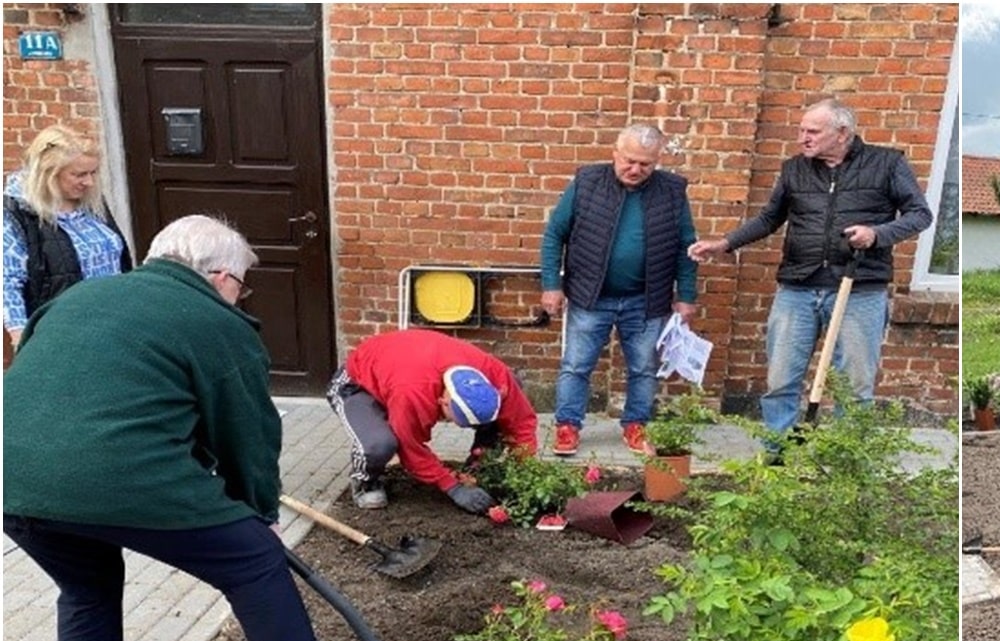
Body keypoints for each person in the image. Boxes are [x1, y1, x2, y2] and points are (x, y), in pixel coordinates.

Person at [3, 215, 372, 641]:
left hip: (13, 481)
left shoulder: (77, 298)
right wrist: (257, 514)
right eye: (243, 285)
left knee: (86, 584)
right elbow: (247, 435)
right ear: (221, 276)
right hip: (117, 475)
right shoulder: (216, 325)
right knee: (253, 562)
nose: (241, 298)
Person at [687, 97, 932, 443]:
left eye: (812, 131)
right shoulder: (794, 169)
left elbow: (920, 214)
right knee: (781, 377)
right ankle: (775, 455)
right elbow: (770, 218)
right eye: (801, 130)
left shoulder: (887, 164)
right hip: (797, 289)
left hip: (859, 289)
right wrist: (725, 244)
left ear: (842, 133)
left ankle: (846, 458)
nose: (803, 137)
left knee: (854, 385)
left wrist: (876, 234)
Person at [541, 124, 697, 458]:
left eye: (645, 164)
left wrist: (686, 295)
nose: (635, 169)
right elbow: (555, 234)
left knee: (642, 367)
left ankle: (635, 424)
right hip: (589, 295)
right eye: (629, 160)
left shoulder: (672, 191)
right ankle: (568, 425)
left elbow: (687, 245)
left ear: (656, 162)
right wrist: (552, 285)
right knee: (576, 365)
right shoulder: (587, 183)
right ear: (615, 153)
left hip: (646, 298)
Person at [328, 328, 539, 513]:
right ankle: (365, 482)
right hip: (359, 384)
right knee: (381, 444)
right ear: (443, 402)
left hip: (401, 371)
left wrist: (525, 470)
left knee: (502, 412)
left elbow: (521, 422)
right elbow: (409, 446)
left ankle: (479, 463)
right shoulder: (414, 393)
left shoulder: (495, 375)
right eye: (459, 421)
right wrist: (452, 487)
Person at [4, 124, 134, 348]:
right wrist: (22, 341)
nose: (90, 182)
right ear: (49, 173)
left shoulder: (91, 203)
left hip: (113, 323)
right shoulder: (17, 213)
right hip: (63, 334)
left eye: (93, 172)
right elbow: (7, 282)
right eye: (79, 174)